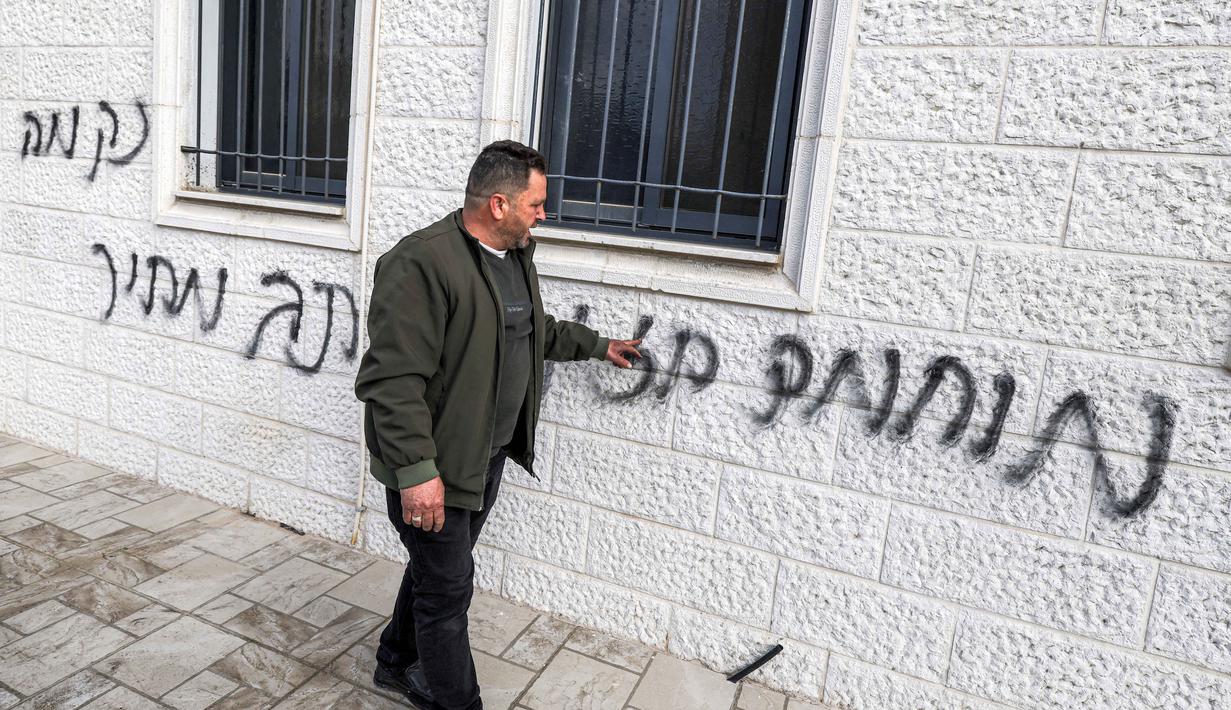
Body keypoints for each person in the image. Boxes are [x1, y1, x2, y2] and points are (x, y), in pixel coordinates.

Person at [354, 140, 641, 710]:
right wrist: (416, 473)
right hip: (434, 468)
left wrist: (597, 345)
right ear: (499, 205)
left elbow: (533, 329)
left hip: (483, 459)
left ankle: (393, 662)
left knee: (437, 573)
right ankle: (456, 700)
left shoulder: (514, 260)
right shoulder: (420, 265)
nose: (544, 213)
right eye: (535, 203)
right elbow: (392, 382)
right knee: (449, 589)